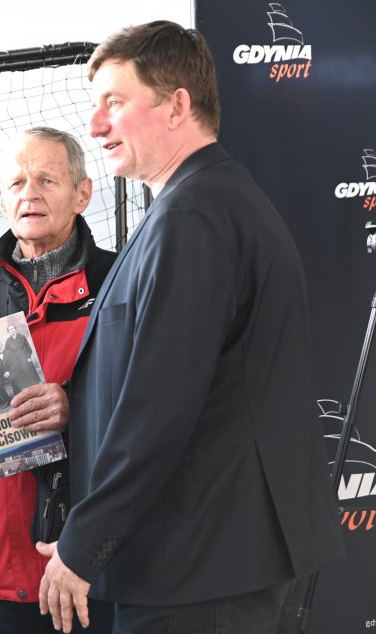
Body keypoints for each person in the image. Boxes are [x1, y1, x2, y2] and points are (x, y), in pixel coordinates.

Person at [37, 21, 345, 634]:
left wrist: (83, 545)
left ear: (178, 105)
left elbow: (160, 408)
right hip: (202, 563)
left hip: (201, 569)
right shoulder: (197, 203)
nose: (95, 126)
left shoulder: (194, 217)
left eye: (115, 104)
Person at [0, 126, 116, 634]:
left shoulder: (119, 283)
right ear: (1, 199)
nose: (28, 193)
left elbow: (157, 404)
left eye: (46, 179)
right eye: (16, 183)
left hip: (96, 568)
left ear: (83, 193)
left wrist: (76, 406)